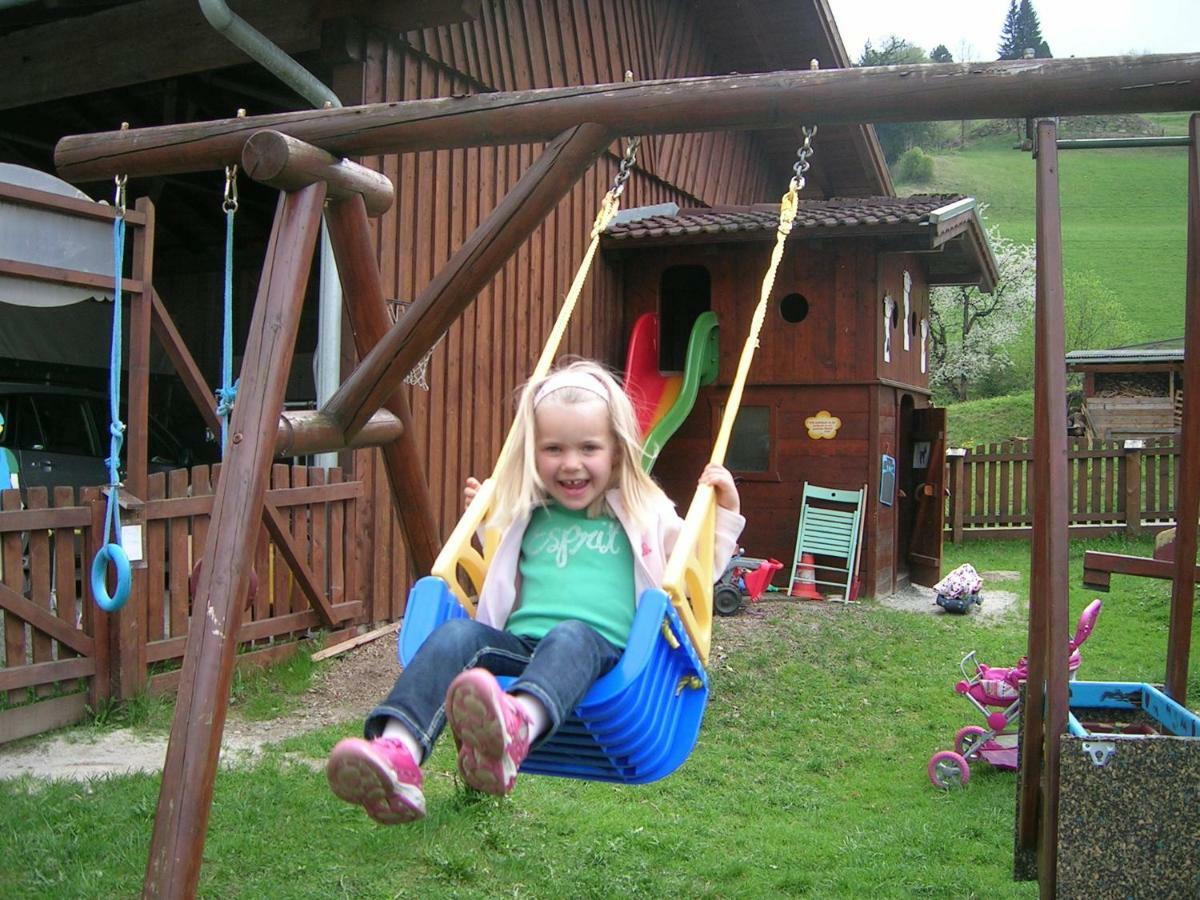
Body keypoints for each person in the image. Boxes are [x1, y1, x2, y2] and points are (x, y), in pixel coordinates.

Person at [326, 359, 744, 824]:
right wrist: (487, 515)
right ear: (533, 452)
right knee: (456, 636)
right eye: (553, 449)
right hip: (523, 649)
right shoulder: (528, 510)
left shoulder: (646, 509)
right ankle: (396, 752)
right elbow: (497, 569)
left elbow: (695, 569)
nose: (570, 463)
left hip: (600, 651)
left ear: (617, 452)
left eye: (588, 448)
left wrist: (723, 512)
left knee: (570, 633)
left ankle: (518, 723)